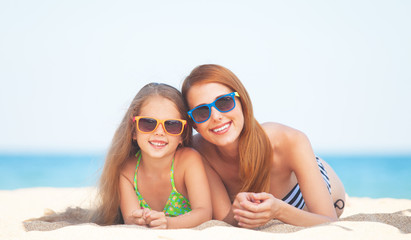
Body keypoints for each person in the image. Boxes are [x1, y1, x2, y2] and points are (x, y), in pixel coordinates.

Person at [181, 64, 346, 228]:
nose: (216, 116)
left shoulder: (289, 140)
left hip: (316, 182)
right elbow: (227, 222)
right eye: (201, 112)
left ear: (242, 101)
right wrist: (237, 210)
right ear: (194, 124)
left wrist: (279, 211)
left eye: (224, 102)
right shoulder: (199, 152)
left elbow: (329, 222)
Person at [92, 82, 211, 229]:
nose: (159, 132)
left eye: (171, 125)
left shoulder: (188, 161)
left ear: (182, 134)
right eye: (148, 123)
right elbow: (131, 219)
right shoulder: (126, 171)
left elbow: (204, 213)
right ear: (133, 131)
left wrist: (168, 223)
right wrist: (138, 220)